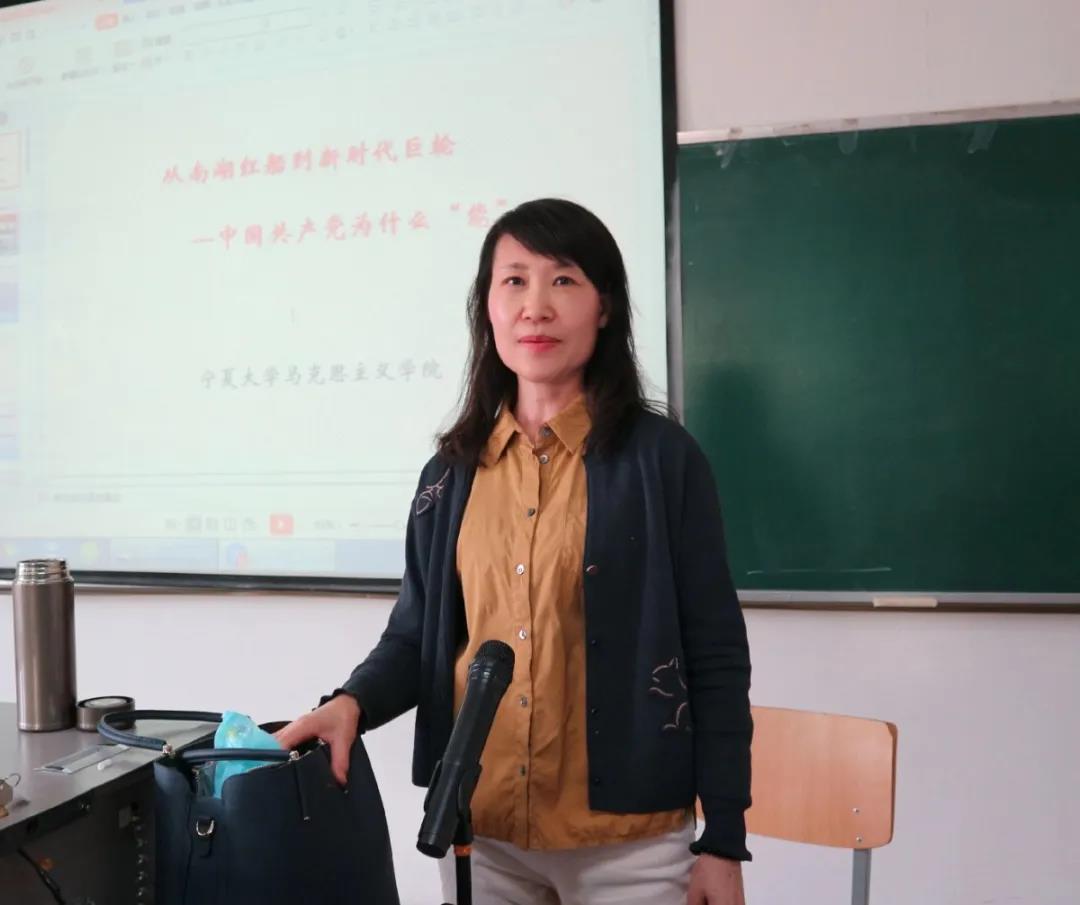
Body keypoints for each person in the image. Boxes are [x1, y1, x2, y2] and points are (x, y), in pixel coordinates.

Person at [277, 198, 752, 904]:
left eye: (563, 280)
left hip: (630, 844)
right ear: (488, 308)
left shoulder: (663, 462)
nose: (536, 306)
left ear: (605, 307)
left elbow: (715, 654)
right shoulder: (449, 475)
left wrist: (723, 839)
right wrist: (351, 703)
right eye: (514, 281)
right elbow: (417, 634)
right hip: (482, 833)